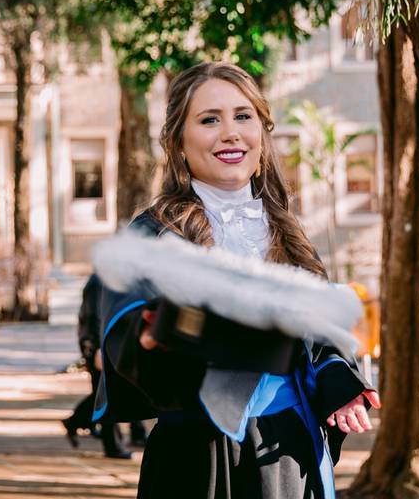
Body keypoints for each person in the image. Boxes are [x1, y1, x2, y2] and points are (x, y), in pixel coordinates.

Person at [92, 62, 381, 498]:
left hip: (285, 452)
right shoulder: (153, 235)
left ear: (261, 135)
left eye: (243, 116)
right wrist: (149, 332)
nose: (230, 133)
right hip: (197, 452)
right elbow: (128, 322)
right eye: (209, 120)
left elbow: (322, 335)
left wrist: (341, 387)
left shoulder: (288, 232)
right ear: (178, 142)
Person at [61, 274, 146, 458]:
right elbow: (94, 316)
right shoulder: (100, 281)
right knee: (105, 393)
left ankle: (76, 422)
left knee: (107, 392)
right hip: (98, 347)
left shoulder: (111, 278)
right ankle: (112, 446)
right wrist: (97, 347)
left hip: (104, 344)